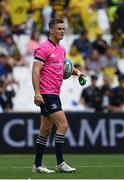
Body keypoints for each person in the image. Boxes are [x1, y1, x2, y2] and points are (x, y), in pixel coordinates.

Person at [32, 18, 85, 173]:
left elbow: (63, 68)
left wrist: (77, 72)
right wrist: (37, 93)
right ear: (51, 30)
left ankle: (37, 165)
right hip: (47, 93)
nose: (62, 31)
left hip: (55, 93)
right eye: (59, 28)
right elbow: (35, 71)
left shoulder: (61, 50)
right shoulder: (43, 48)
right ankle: (60, 163)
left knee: (45, 130)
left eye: (63, 28)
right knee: (63, 125)